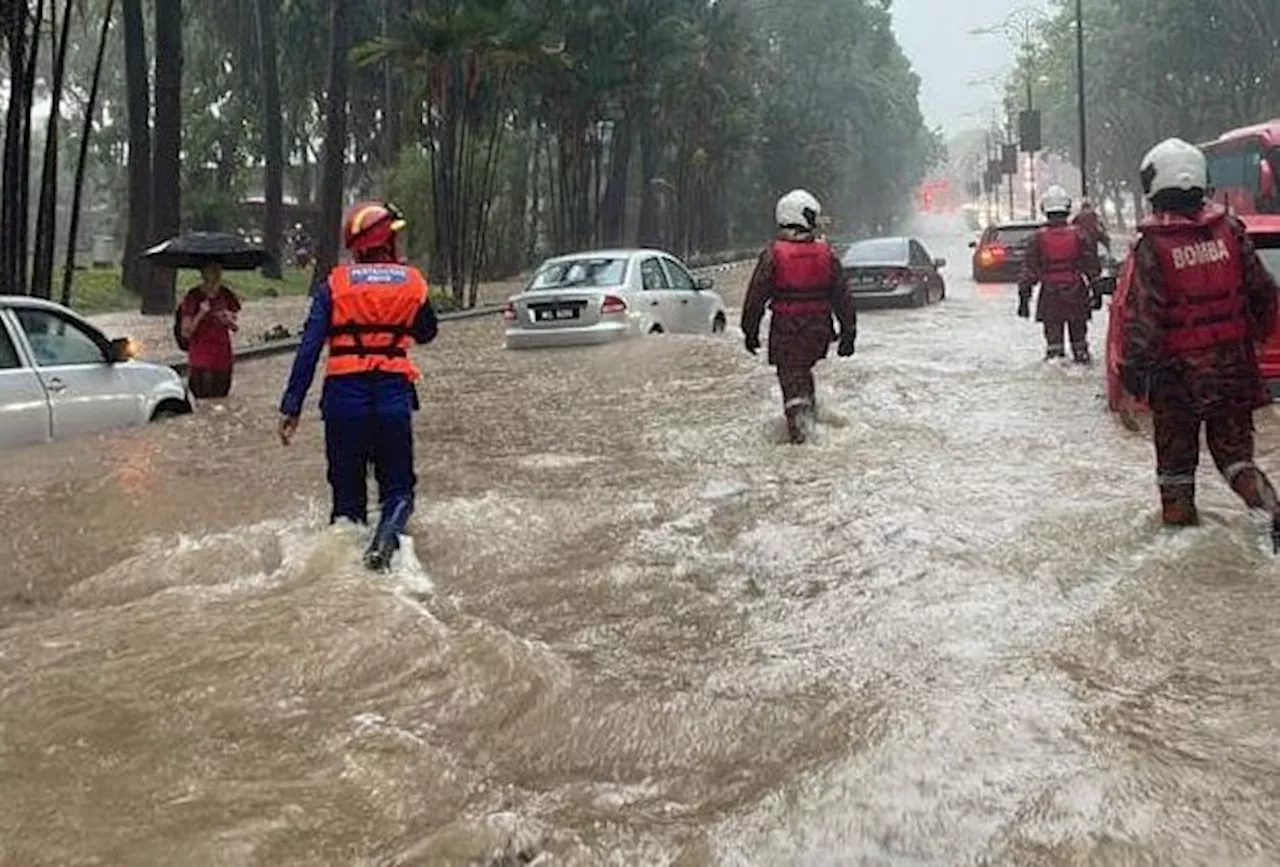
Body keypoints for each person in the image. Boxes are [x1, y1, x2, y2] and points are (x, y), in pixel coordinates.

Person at [1119, 137, 1280, 549]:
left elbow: (1142, 321)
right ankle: (1274, 514)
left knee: (1175, 474)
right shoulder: (1232, 233)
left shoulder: (1152, 247)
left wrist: (1133, 379)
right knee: (1237, 461)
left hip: (1177, 383)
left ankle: (1179, 549)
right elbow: (1264, 295)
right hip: (1233, 373)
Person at [277, 201, 439, 571]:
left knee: (347, 506)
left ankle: (344, 572)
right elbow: (427, 332)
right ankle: (384, 545)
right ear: (387, 241)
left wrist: (291, 406)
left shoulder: (334, 285)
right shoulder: (412, 283)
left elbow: (309, 348)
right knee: (398, 492)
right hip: (392, 399)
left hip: (343, 403)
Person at [742, 189, 857, 444]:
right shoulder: (827, 254)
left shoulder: (773, 255)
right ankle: (812, 421)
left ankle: (802, 443)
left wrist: (749, 332)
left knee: (792, 384)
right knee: (803, 376)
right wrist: (849, 334)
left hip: (787, 333)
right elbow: (844, 297)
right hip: (818, 333)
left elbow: (755, 298)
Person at [1017, 185, 1101, 363]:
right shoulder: (1080, 235)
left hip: (1050, 295)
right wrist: (1097, 293)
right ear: (1067, 209)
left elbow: (1028, 272)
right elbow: (1092, 267)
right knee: (1080, 344)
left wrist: (1024, 300)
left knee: (1053, 348)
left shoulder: (1038, 238)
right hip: (1077, 293)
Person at [178, 263, 241, 398]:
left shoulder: (226, 294)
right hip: (201, 360)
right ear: (203, 273)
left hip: (223, 358)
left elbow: (235, 327)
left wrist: (227, 319)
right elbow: (186, 333)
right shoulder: (193, 296)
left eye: (219, 269)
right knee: (202, 399)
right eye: (212, 270)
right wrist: (201, 313)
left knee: (222, 400)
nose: (217, 273)